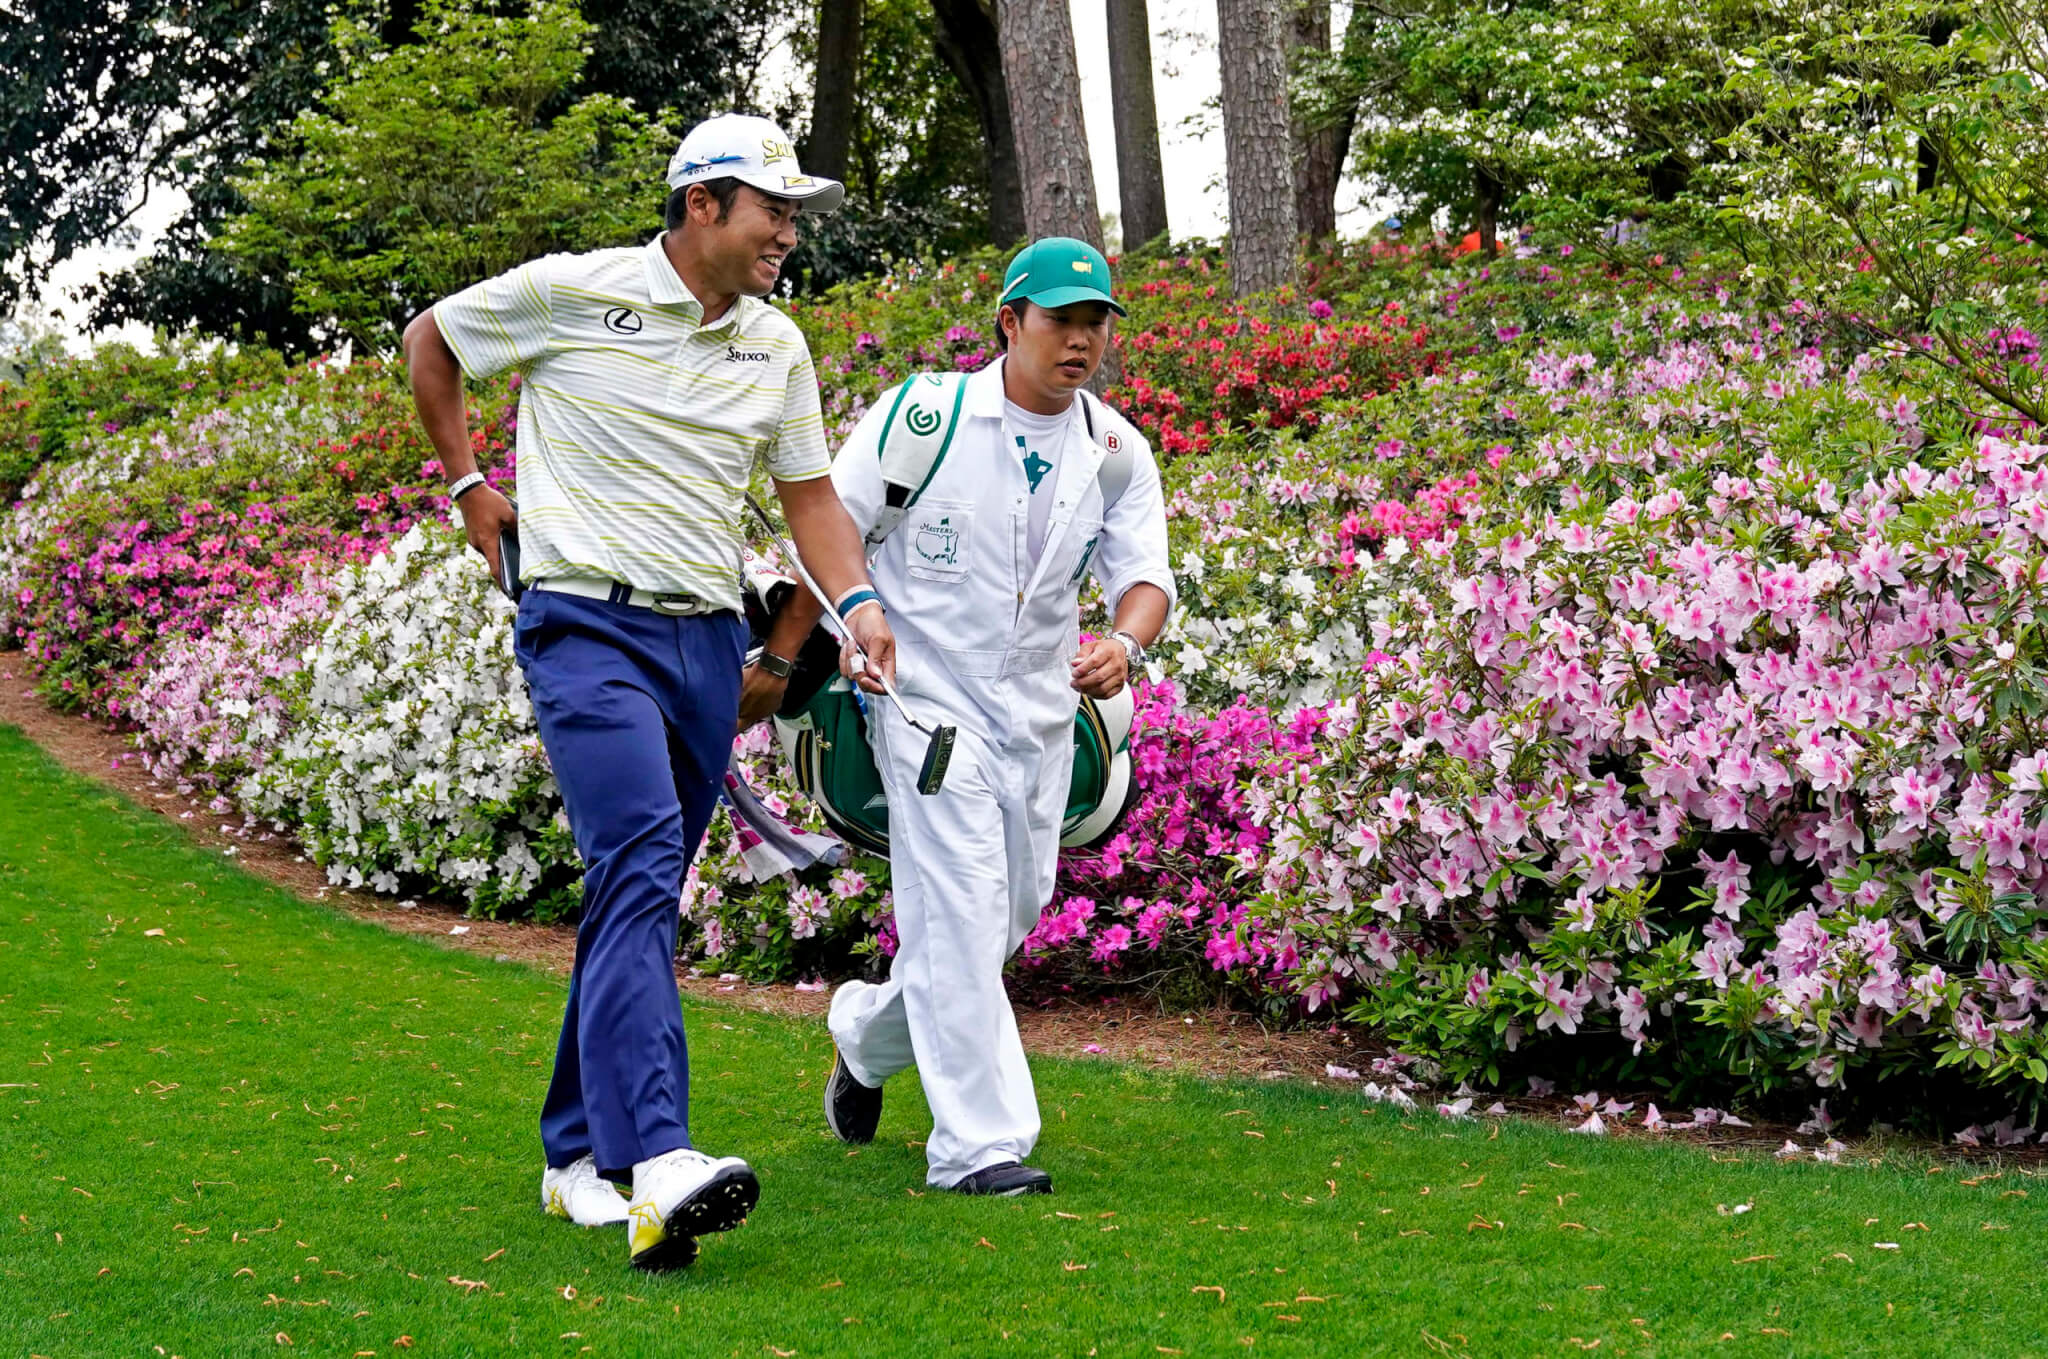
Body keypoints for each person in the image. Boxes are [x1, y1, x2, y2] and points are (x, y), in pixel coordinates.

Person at [401, 113, 896, 1271]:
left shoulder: (777, 346)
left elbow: (809, 498)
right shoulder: (577, 291)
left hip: (703, 645)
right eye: (772, 208)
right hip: (583, 624)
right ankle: (655, 1160)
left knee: (642, 885)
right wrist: (474, 485)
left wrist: (858, 608)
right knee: (632, 864)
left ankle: (573, 1156)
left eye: (794, 214)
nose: (788, 230)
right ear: (701, 205)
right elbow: (431, 341)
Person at [759, 238, 1175, 1195]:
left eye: (1095, 323)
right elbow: (833, 525)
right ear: (1010, 322)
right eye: (1060, 320)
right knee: (955, 907)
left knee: (1001, 919)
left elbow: (1145, 575)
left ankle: (864, 1040)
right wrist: (837, 632)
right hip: (921, 704)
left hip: (1037, 717)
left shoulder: (1115, 453)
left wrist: (1125, 643)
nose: (1080, 340)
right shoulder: (926, 415)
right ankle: (978, 1148)